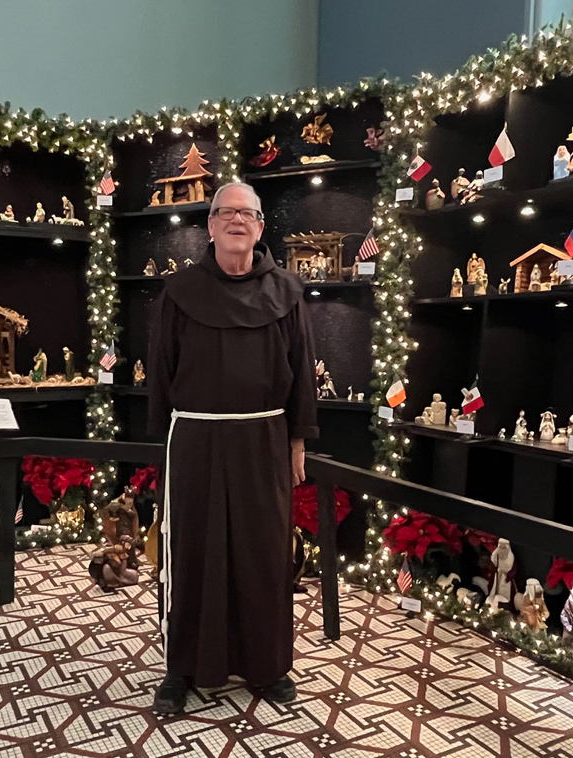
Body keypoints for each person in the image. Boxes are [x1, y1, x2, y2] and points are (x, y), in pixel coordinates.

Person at [148, 182, 318, 714]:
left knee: (262, 553)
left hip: (264, 439)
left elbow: (302, 376)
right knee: (192, 551)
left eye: (247, 213)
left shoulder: (287, 292)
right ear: (212, 225)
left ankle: (267, 667)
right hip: (195, 440)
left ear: (261, 227)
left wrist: (297, 442)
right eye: (226, 212)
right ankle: (183, 667)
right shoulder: (179, 293)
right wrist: (164, 449)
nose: (236, 221)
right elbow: (161, 372)